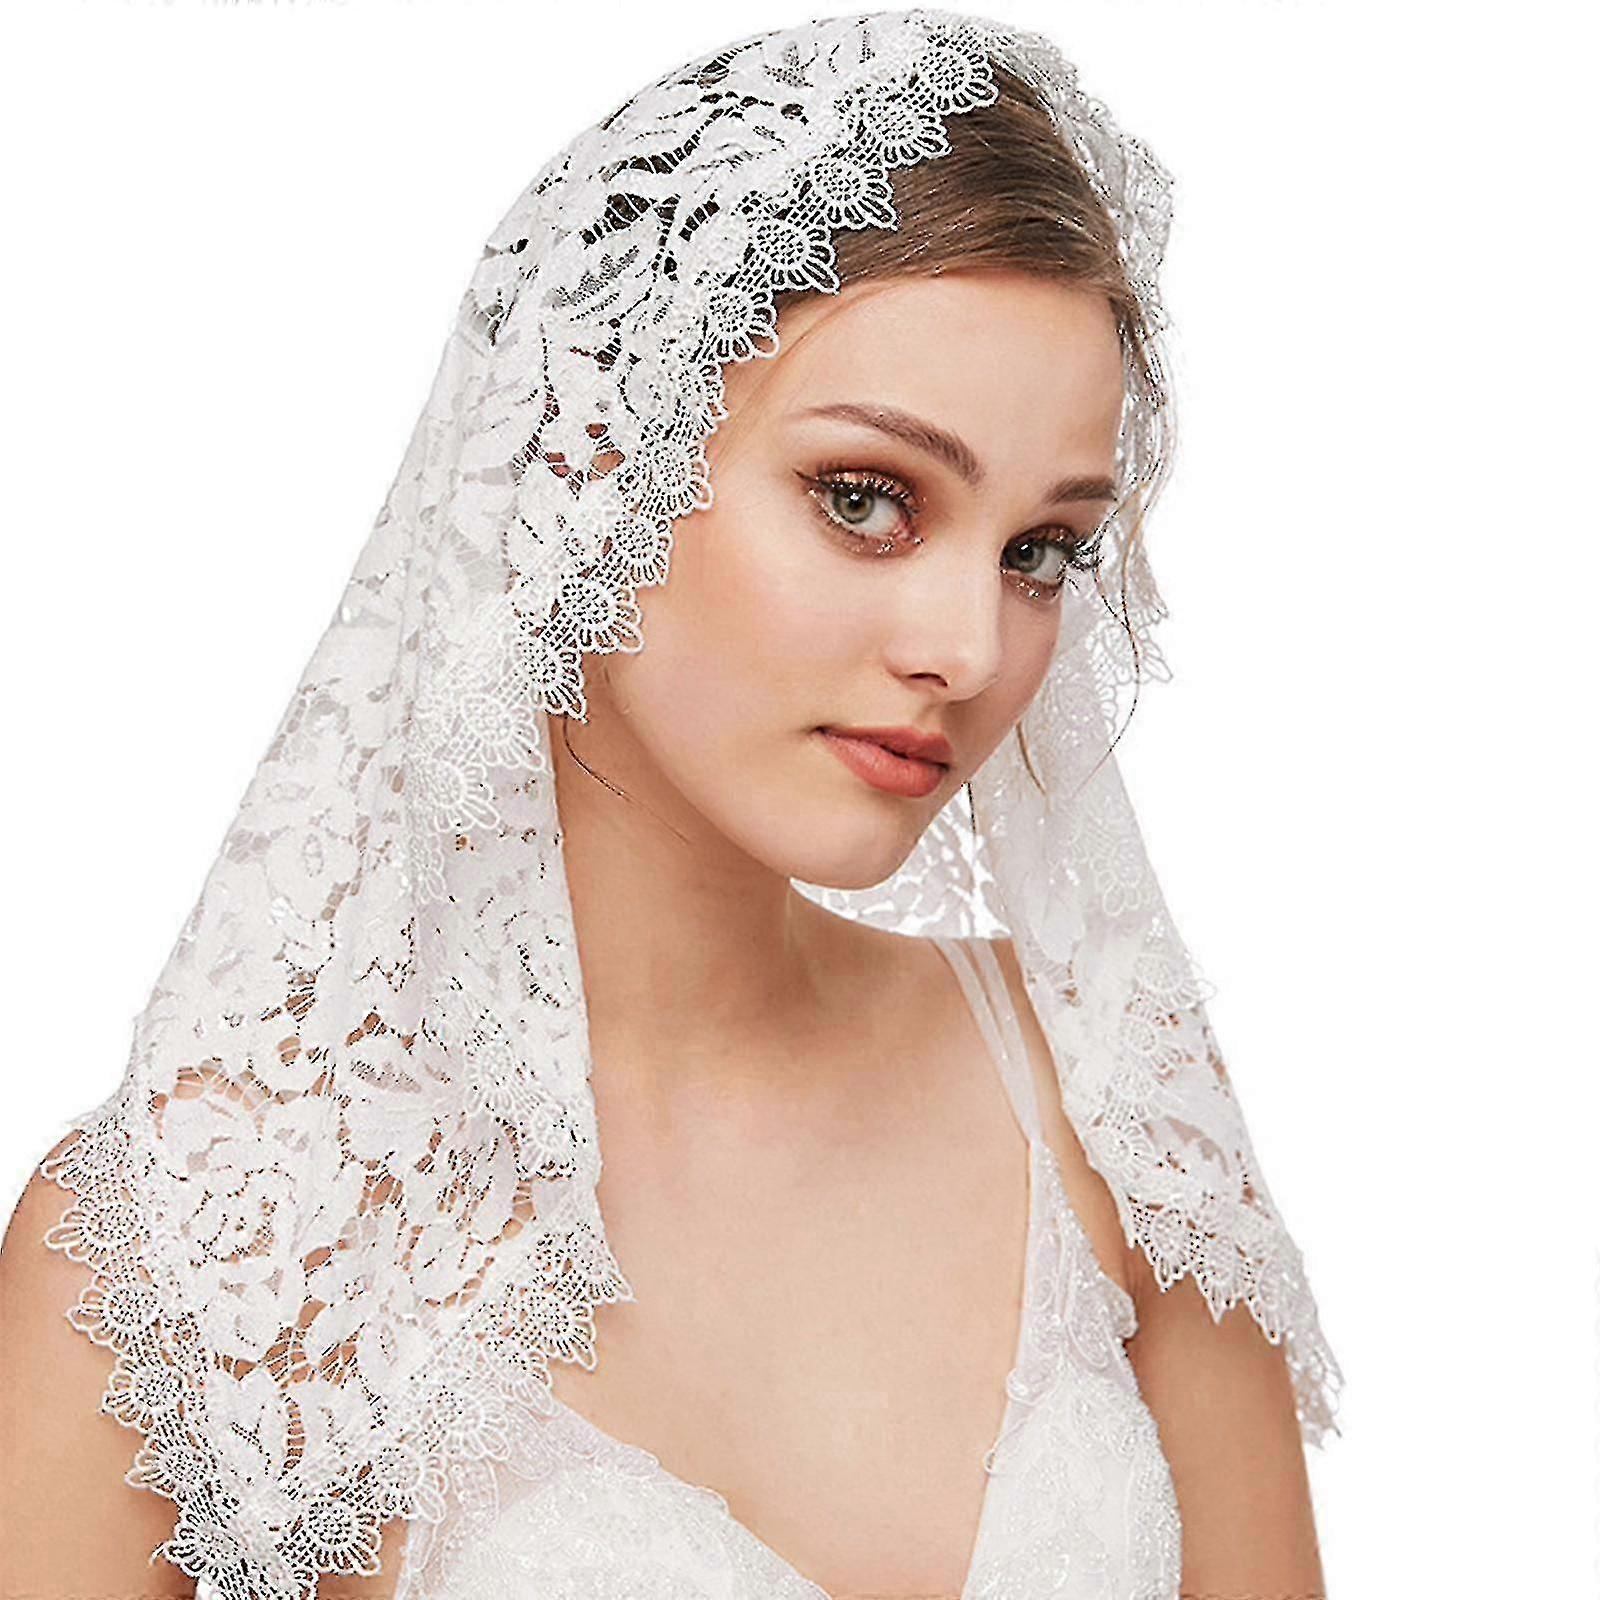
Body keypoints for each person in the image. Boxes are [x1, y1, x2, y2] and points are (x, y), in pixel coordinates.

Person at [0, 9, 1342, 1599]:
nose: (972, 649)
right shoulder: (205, 1238)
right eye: (867, 499)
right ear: (584, 460)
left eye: (1038, 551)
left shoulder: (1104, 1096)